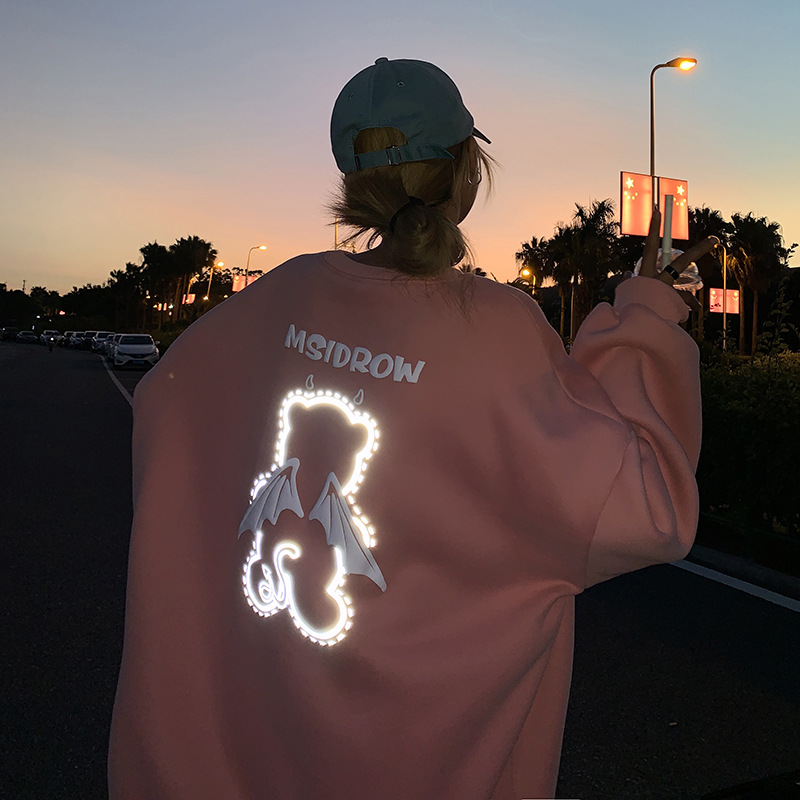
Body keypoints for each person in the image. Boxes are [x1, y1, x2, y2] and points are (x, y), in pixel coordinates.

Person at [108, 57, 718, 799]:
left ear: (352, 183)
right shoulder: (498, 332)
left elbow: (167, 409)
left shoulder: (273, 298)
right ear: (464, 172)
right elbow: (646, 508)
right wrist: (645, 318)